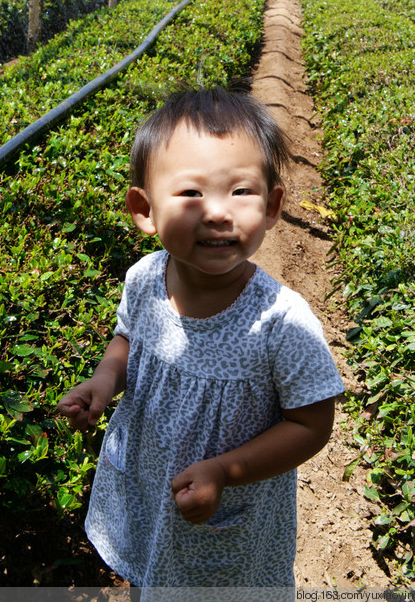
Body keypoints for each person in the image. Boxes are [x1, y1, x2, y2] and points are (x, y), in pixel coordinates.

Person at [58, 86, 345, 590]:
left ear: (274, 205)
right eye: (191, 192)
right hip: (149, 492)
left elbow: (312, 424)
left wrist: (226, 472)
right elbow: (130, 337)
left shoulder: (283, 322)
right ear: (144, 209)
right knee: (152, 577)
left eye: (240, 191)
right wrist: (105, 381)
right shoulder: (145, 279)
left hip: (228, 520)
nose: (217, 212)